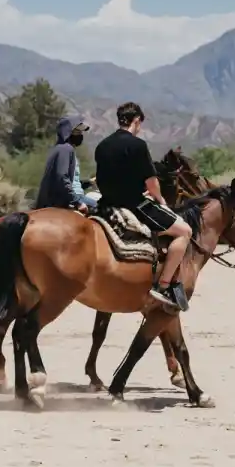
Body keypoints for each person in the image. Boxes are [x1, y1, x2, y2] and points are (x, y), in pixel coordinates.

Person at [92, 101, 193, 312]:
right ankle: (164, 286)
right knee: (184, 231)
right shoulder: (137, 145)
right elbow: (152, 182)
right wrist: (161, 200)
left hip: (105, 204)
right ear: (136, 121)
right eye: (140, 123)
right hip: (133, 204)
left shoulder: (102, 146)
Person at [33, 115, 96, 213]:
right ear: (68, 133)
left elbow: (70, 181)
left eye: (81, 132)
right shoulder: (66, 149)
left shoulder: (59, 149)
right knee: (101, 208)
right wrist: (78, 202)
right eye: (77, 132)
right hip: (69, 201)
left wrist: (88, 183)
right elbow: (62, 177)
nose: (80, 135)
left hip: (72, 196)